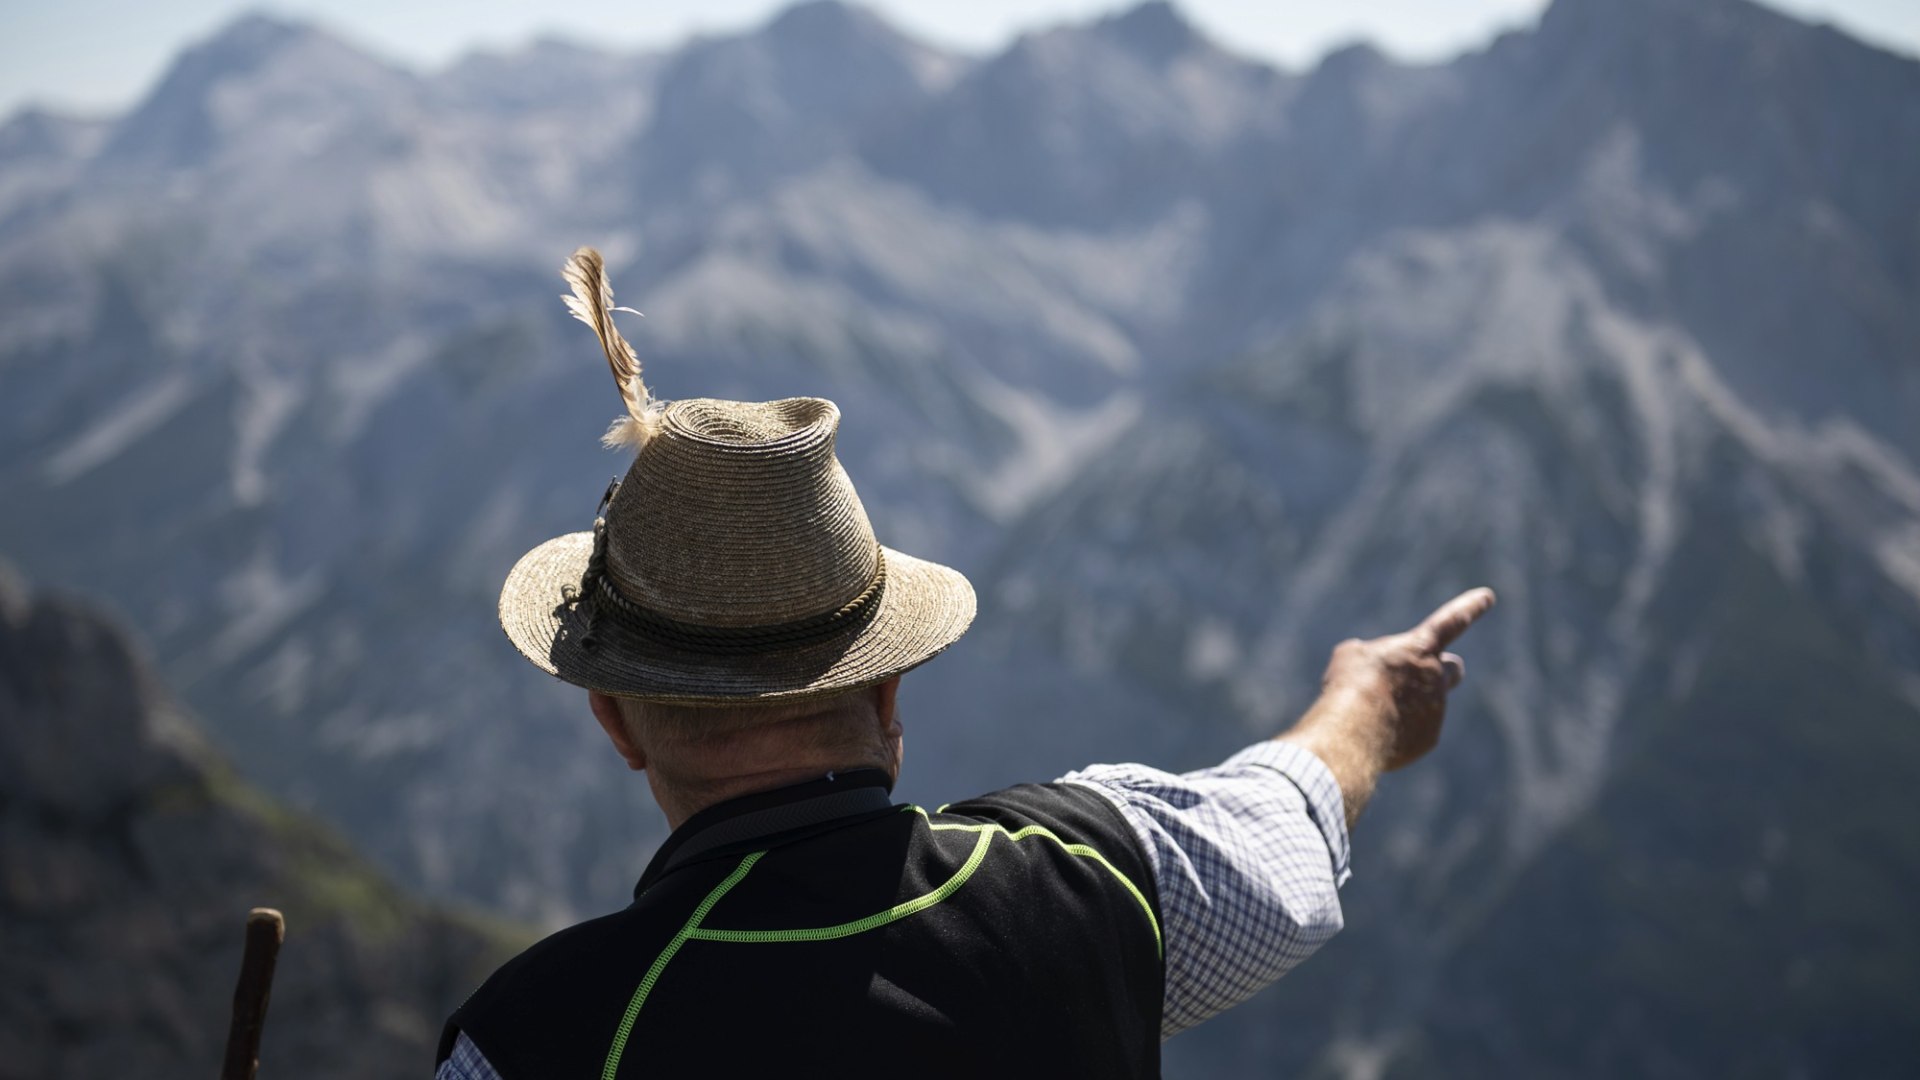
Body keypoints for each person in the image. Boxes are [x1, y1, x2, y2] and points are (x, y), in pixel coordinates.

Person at [435, 250, 1496, 1078]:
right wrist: (1370, 701)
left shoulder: (534, 1039)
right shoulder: (1091, 876)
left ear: (615, 721)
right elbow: (1282, 840)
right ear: (891, 686)